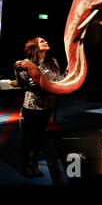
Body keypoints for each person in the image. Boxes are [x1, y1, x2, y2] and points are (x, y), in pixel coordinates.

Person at [14, 37, 65, 178]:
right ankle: (26, 166)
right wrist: (44, 84)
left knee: (40, 136)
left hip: (47, 105)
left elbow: (58, 81)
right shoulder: (25, 63)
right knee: (28, 137)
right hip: (32, 106)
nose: (46, 42)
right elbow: (27, 83)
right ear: (34, 47)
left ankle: (35, 164)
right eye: (42, 41)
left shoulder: (53, 62)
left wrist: (66, 75)